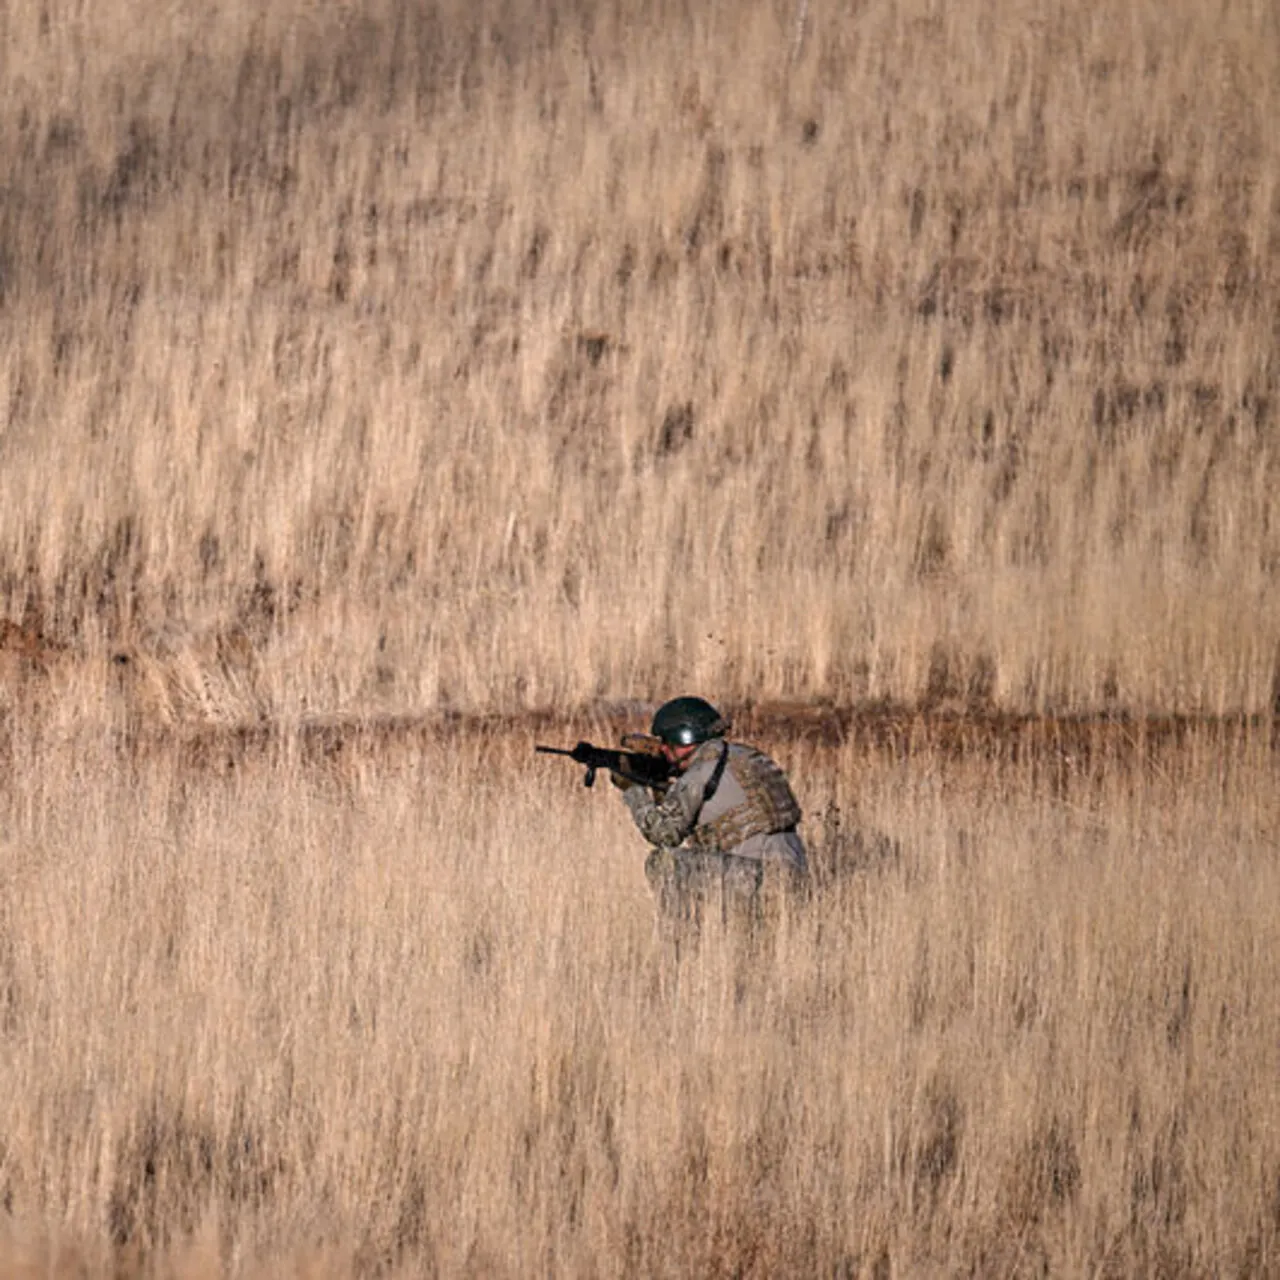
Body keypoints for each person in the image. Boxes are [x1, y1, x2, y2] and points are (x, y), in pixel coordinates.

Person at [611, 696, 808, 935]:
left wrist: (633, 789)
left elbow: (664, 833)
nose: (663, 748)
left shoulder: (700, 772)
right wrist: (660, 785)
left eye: (668, 741)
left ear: (686, 737)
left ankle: (682, 946)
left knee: (664, 862)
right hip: (794, 877)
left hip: (760, 879)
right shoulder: (744, 756)